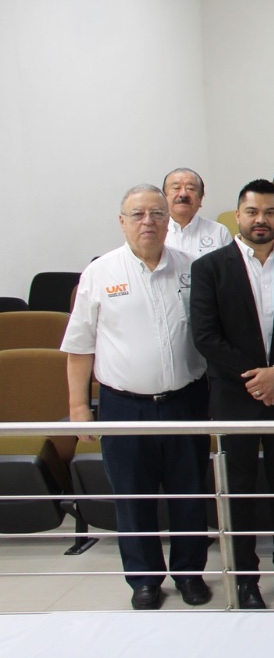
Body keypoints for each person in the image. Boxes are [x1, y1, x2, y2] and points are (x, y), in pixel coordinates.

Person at [62, 184, 211, 610]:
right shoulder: (100, 273)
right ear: (122, 221)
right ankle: (144, 580)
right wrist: (79, 409)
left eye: (157, 213)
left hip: (186, 401)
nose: (148, 221)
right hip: (124, 406)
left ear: (168, 221)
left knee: (189, 494)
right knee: (132, 496)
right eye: (138, 214)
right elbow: (79, 347)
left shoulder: (192, 268)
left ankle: (190, 574)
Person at [189, 179, 274, 609]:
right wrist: (256, 378)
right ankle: (246, 579)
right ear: (238, 215)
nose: (261, 220)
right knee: (240, 488)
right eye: (252, 212)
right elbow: (206, 337)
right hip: (235, 396)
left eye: (270, 212)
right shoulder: (210, 267)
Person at [163, 168, 230, 257]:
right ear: (164, 198)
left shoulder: (219, 231)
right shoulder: (154, 232)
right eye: (176, 188)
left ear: (201, 199)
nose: (183, 194)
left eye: (190, 189)